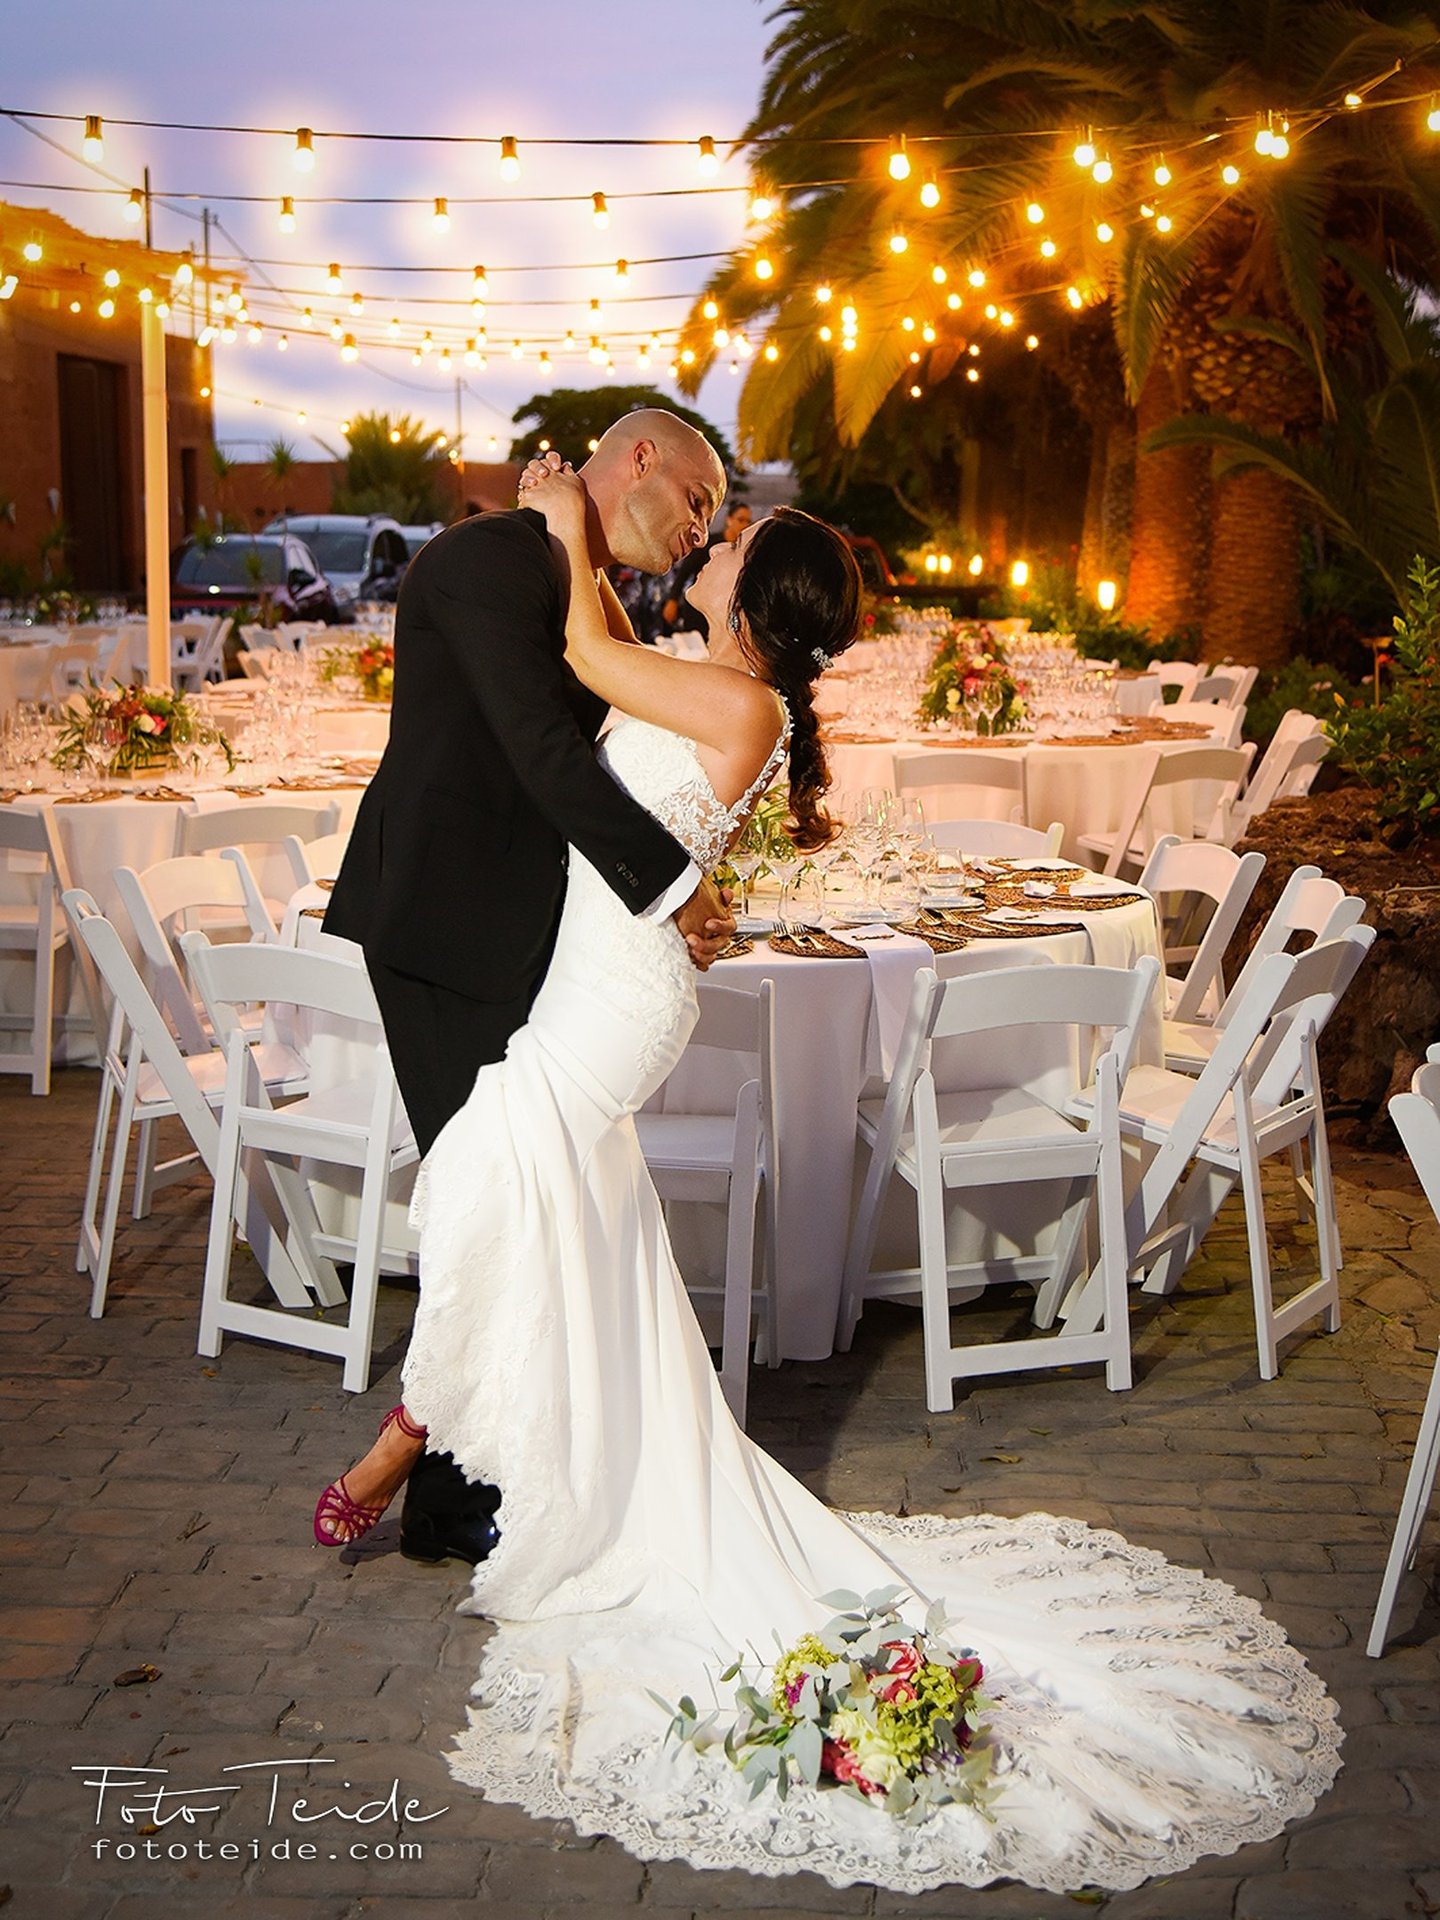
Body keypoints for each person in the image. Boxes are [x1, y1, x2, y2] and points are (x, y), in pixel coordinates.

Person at [314, 455, 1341, 1894]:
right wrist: (685, 870)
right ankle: (513, 1455)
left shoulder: (737, 703)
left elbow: (581, 663)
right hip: (596, 976)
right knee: (551, 1208)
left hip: (612, 1002)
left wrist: (555, 524)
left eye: (730, 542)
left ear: (755, 599)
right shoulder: (720, 685)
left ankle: (408, 1447)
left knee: (489, 1178)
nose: (710, 542)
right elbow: (586, 725)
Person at [316, 410, 737, 1564]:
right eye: (696, 500)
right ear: (640, 460)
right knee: (489, 1208)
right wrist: (674, 884)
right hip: (442, 927)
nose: (699, 532)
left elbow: (610, 704)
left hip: (522, 933)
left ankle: (467, 1483)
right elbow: (540, 748)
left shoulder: (570, 572)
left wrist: (574, 538)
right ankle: (450, 1505)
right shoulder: (486, 561)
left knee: (511, 1203)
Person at [659, 500, 752, 637]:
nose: (744, 525)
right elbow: (685, 571)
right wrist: (673, 599)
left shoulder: (745, 550)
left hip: (725, 612)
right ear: (729, 520)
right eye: (741, 520)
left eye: (748, 521)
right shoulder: (710, 545)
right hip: (699, 609)